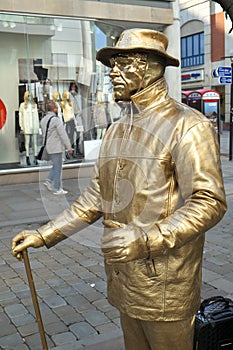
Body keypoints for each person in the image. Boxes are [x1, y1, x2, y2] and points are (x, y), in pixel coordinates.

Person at [12, 29, 227, 350]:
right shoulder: (116, 130)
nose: (112, 73)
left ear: (151, 68)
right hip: (125, 279)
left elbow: (209, 202)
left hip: (166, 285)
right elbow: (95, 198)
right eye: (112, 65)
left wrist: (145, 240)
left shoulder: (189, 126)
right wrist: (45, 234)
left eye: (122, 63)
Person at [41, 101, 73, 195]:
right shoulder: (56, 120)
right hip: (56, 147)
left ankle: (48, 180)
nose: (58, 108)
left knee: (56, 165)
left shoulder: (43, 120)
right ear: (54, 109)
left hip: (48, 147)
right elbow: (63, 134)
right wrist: (69, 147)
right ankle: (57, 188)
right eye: (57, 107)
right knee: (58, 167)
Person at [19, 91, 39, 165]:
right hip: (26, 126)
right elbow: (20, 117)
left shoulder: (35, 105)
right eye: (28, 95)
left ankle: (35, 157)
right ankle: (27, 157)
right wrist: (21, 126)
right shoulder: (22, 105)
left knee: (34, 143)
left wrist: (37, 126)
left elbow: (36, 117)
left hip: (34, 126)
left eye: (31, 95)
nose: (29, 97)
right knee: (27, 143)